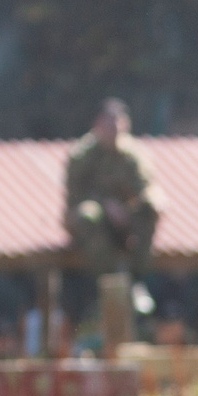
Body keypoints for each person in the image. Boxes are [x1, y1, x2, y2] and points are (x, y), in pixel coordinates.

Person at [63, 99, 159, 352]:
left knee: (153, 207)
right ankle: (108, 280)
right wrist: (106, 205)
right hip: (94, 224)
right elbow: (75, 199)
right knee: (88, 216)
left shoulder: (134, 155)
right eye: (109, 124)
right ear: (97, 125)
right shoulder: (82, 156)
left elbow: (145, 190)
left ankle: (136, 279)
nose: (115, 129)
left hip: (125, 227)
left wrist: (128, 210)